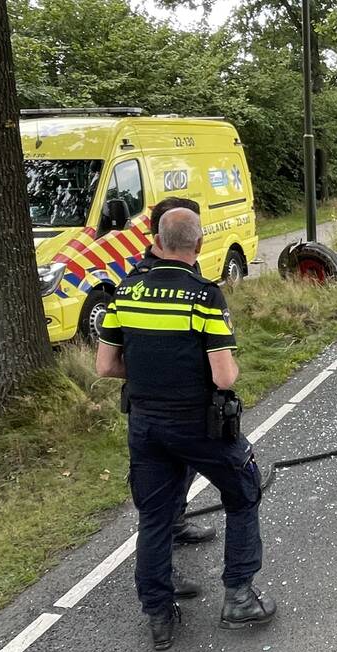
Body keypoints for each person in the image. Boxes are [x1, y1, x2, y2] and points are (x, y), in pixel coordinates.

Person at [96, 208, 275, 650]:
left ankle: (158, 612)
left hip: (145, 423)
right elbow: (224, 377)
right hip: (199, 424)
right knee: (244, 491)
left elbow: (106, 365)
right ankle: (238, 596)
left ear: (157, 240)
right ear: (197, 247)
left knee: (155, 516)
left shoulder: (126, 290)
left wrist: (149, 378)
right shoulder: (204, 296)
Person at [135, 198, 217, 598]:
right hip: (159, 402)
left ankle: (178, 522)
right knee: (158, 498)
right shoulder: (142, 277)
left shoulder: (185, 265)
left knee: (181, 474)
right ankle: (160, 577)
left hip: (180, 400)